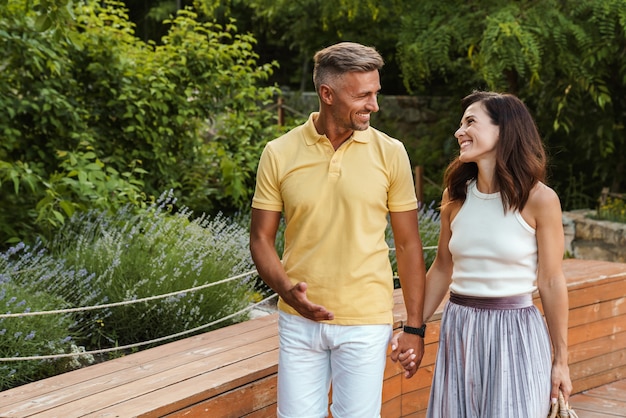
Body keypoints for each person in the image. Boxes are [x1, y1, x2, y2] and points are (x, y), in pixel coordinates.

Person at [249, 41, 427, 418]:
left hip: (366, 320)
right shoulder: (278, 153)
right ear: (327, 94)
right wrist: (287, 291)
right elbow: (261, 238)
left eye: (375, 93)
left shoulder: (391, 152)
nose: (374, 105)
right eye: (363, 95)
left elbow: (410, 245)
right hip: (298, 321)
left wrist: (415, 326)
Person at [394, 90, 572, 417]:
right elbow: (443, 268)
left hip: (516, 332)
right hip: (459, 327)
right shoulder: (455, 196)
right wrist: (413, 328)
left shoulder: (540, 200)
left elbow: (551, 280)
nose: (459, 132)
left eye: (470, 122)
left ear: (503, 130)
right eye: (461, 124)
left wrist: (561, 361)